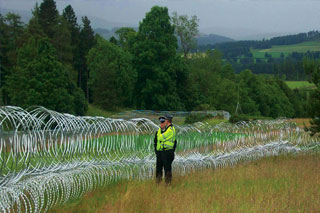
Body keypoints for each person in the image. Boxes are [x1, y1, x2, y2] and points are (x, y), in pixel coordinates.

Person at [154, 114, 177, 184]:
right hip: (160, 152)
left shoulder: (169, 130)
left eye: (163, 122)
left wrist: (171, 151)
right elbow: (155, 142)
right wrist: (157, 152)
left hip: (167, 152)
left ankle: (168, 183)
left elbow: (174, 142)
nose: (161, 124)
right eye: (160, 122)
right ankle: (158, 182)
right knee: (158, 168)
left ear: (166, 121)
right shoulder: (158, 131)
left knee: (167, 168)